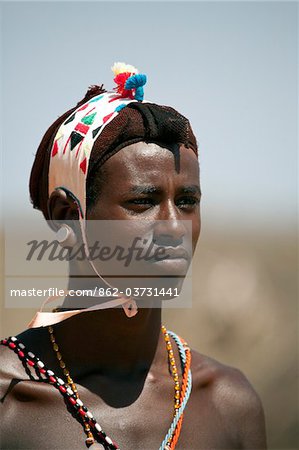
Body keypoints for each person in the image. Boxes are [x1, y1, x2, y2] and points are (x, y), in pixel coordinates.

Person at [0, 63, 267, 450]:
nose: (174, 228)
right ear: (67, 218)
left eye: (188, 201)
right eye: (143, 202)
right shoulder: (10, 403)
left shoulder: (227, 402)